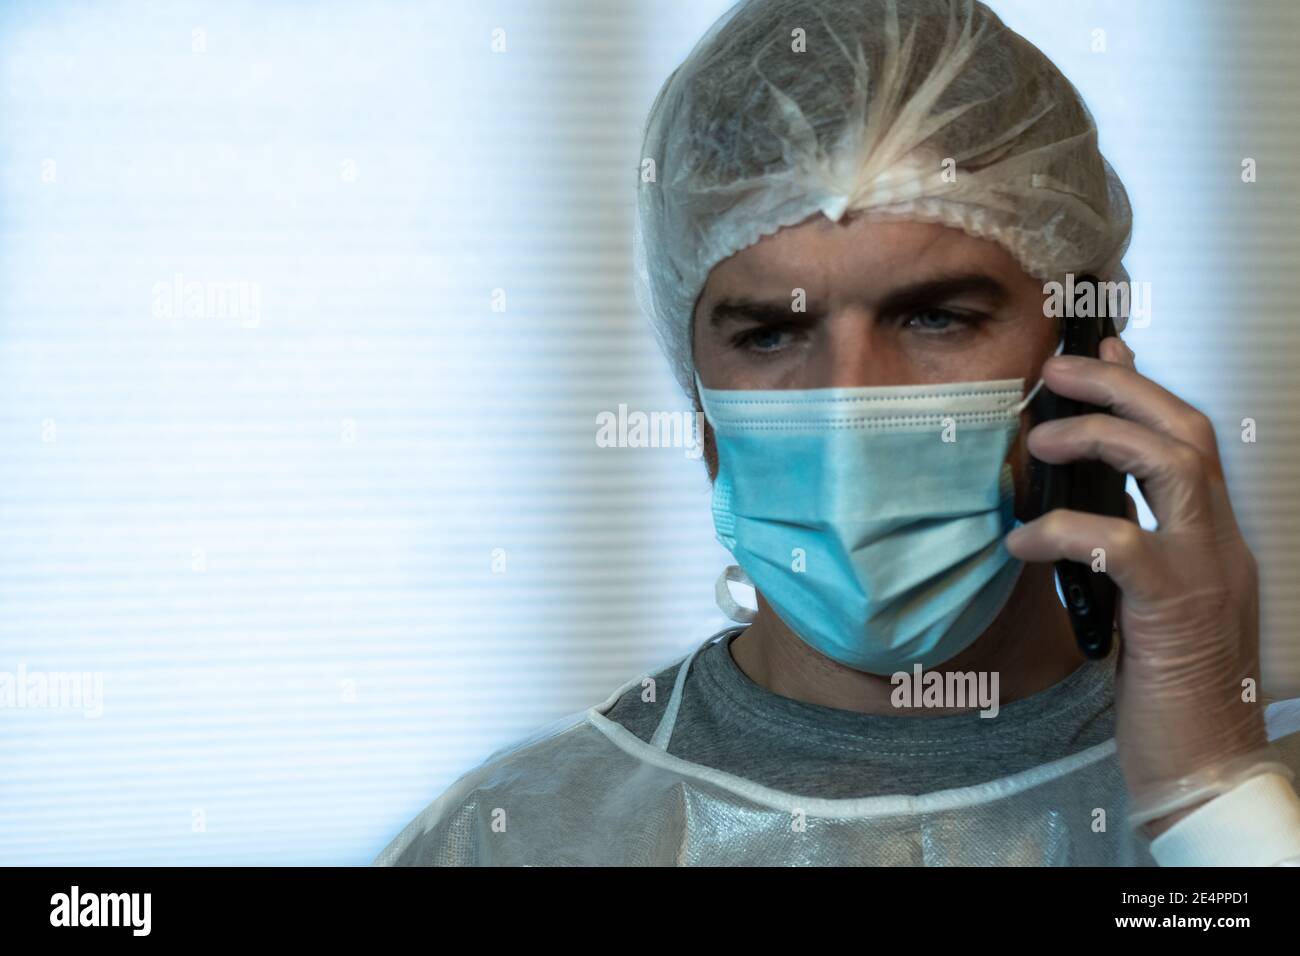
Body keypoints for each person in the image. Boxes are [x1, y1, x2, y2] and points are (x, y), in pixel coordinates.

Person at [376, 0, 1300, 866]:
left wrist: (1207, 799)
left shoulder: (1266, 818)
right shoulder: (517, 838)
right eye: (769, 334)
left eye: (935, 317)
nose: (847, 405)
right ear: (702, 408)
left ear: (1087, 357)